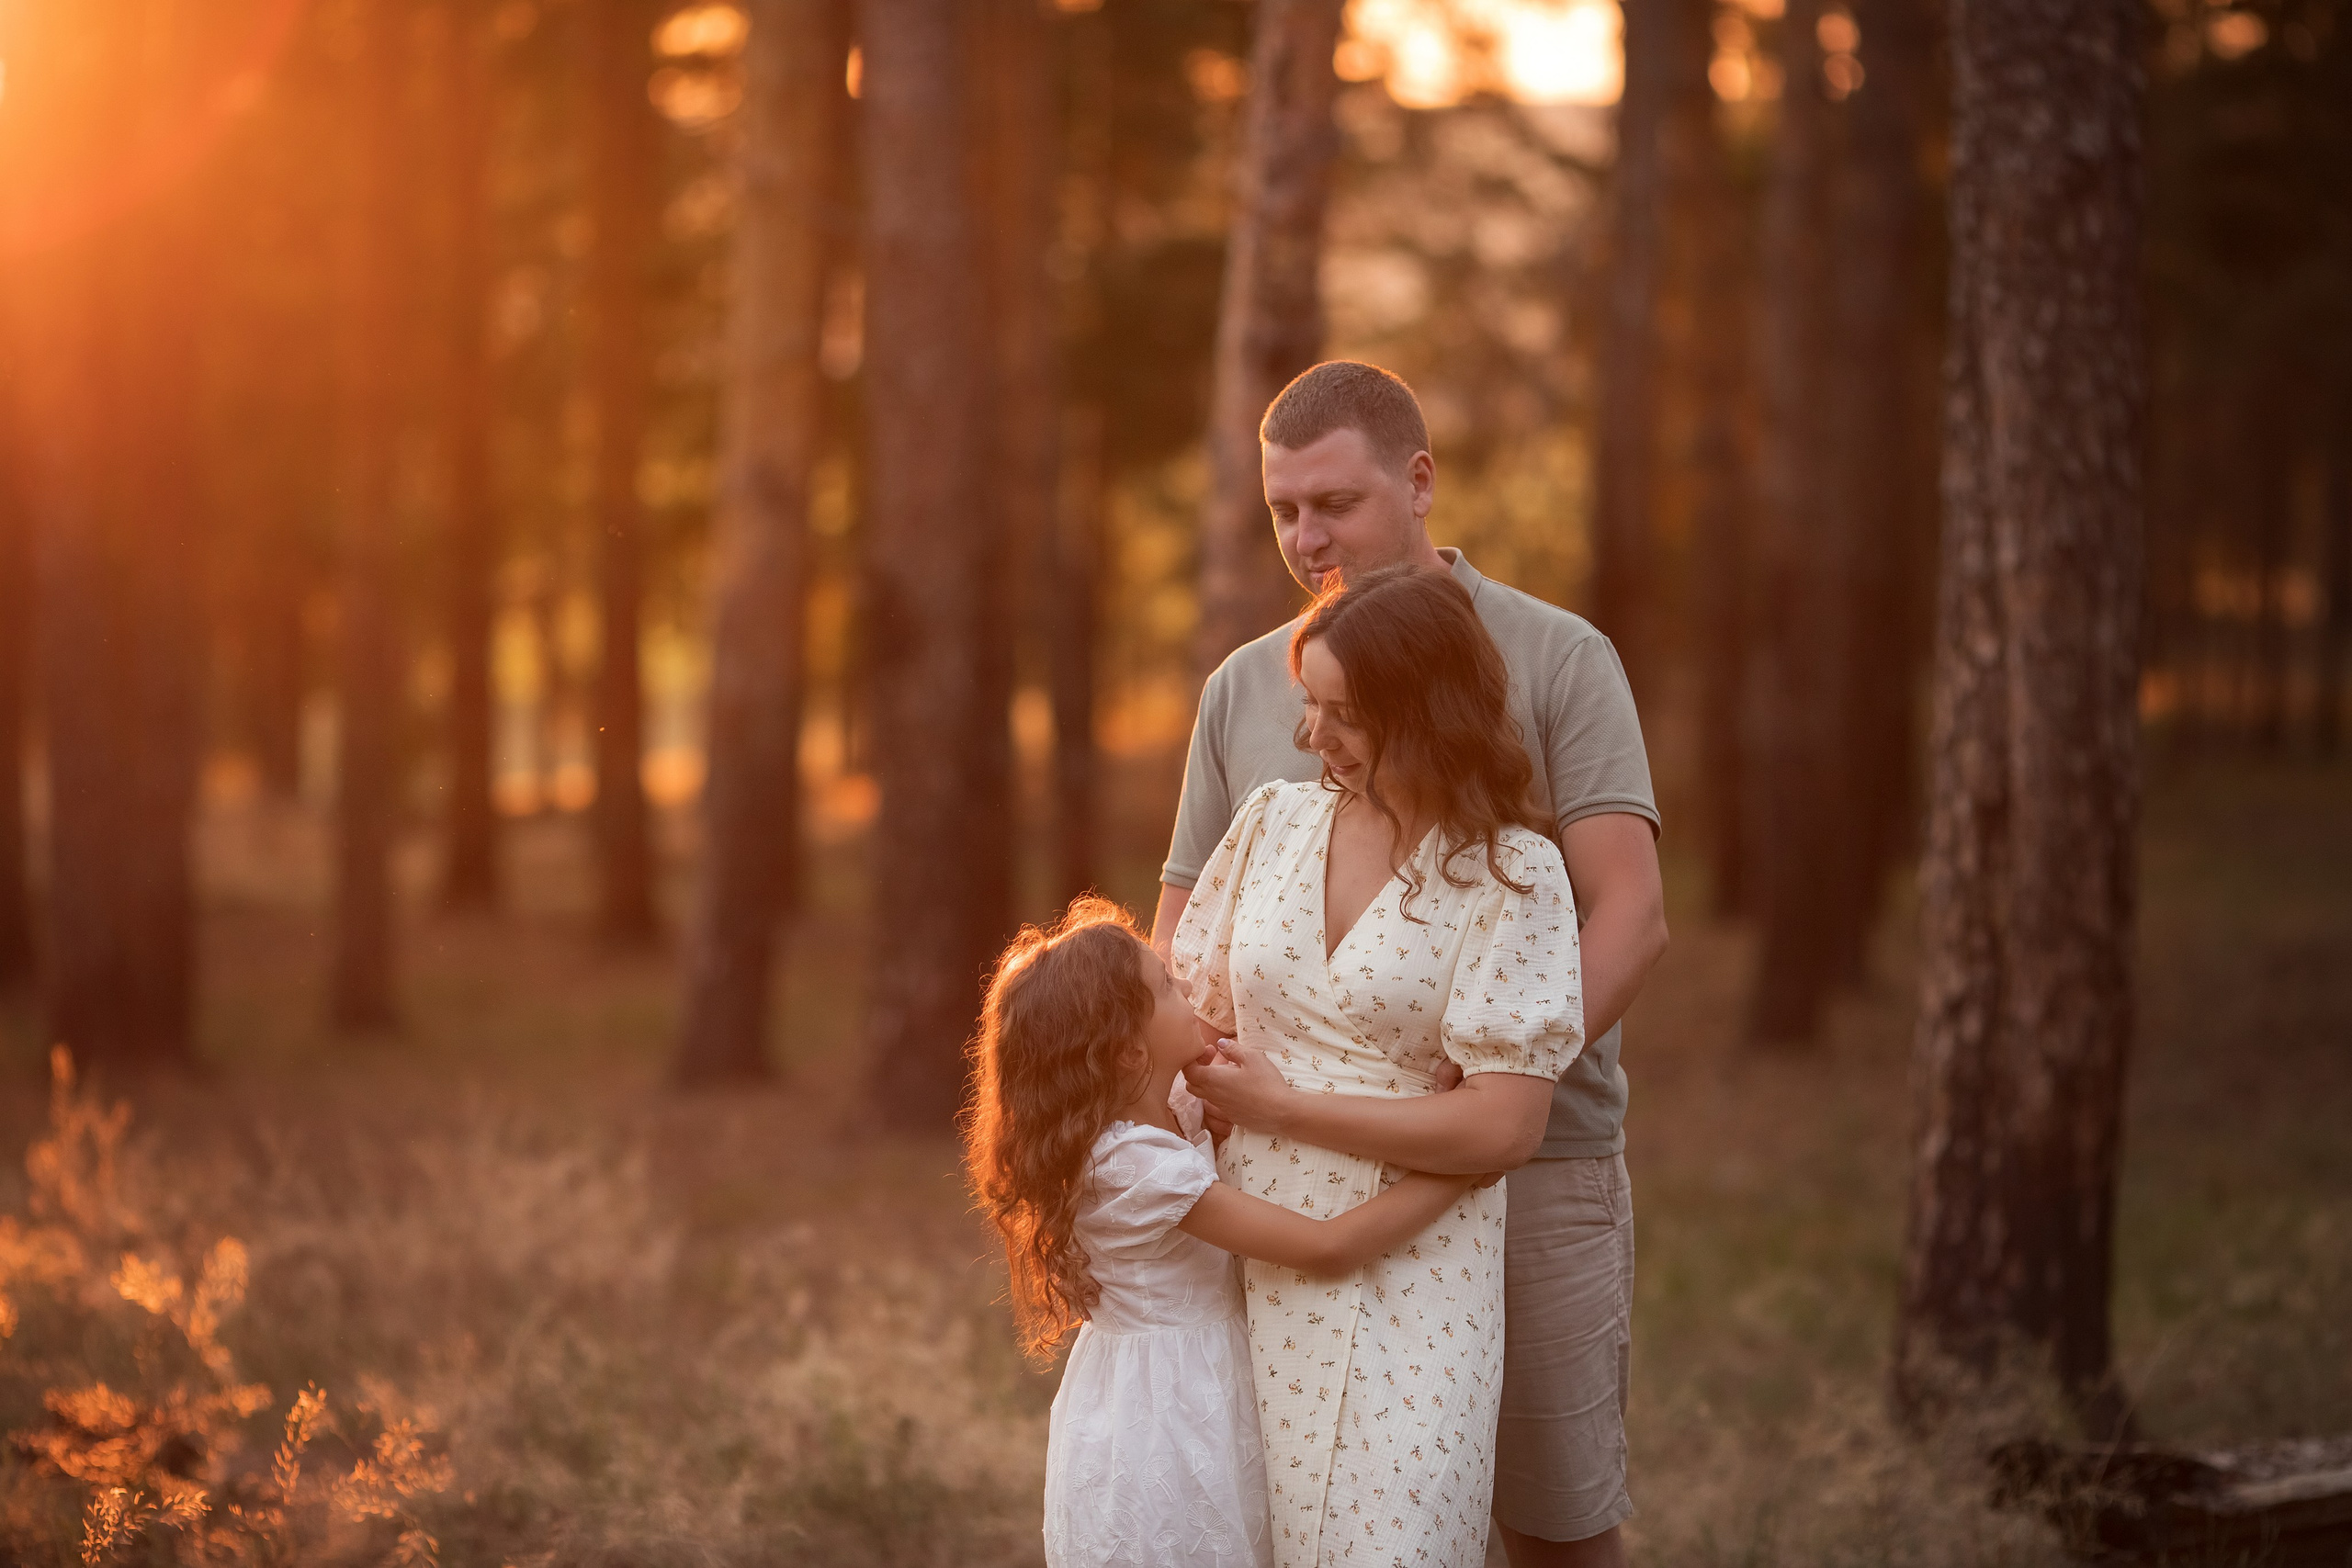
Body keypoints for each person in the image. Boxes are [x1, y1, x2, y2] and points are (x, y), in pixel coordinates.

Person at [1159, 362, 1667, 1568]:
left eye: (1334, 501)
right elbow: (1180, 939)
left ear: (1420, 480)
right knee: (1307, 1511)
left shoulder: (1553, 656)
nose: (1308, 535)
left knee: (1552, 1517)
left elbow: (1631, 914)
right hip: (1283, 1174)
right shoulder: (1247, 685)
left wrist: (1485, 1102)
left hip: (1529, 1159)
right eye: (1285, 510)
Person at [1172, 564, 1587, 1568]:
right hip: (1248, 1241)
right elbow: (1182, 1013)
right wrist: (1199, 1099)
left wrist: (1287, 1104)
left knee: (1393, 1542)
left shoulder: (1510, 872)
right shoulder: (1272, 823)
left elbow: (1506, 1127)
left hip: (1416, 1262)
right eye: (1309, 707)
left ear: (1430, 709)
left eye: (1346, 714)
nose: (1315, 737)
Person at [965, 896, 1499, 1568]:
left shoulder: (1164, 1111)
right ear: (1129, 1052)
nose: (1187, 984)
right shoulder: (1132, 1165)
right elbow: (1324, 1246)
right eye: (1165, 987)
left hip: (1184, 1384)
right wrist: (1465, 1164)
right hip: (1170, 1411)